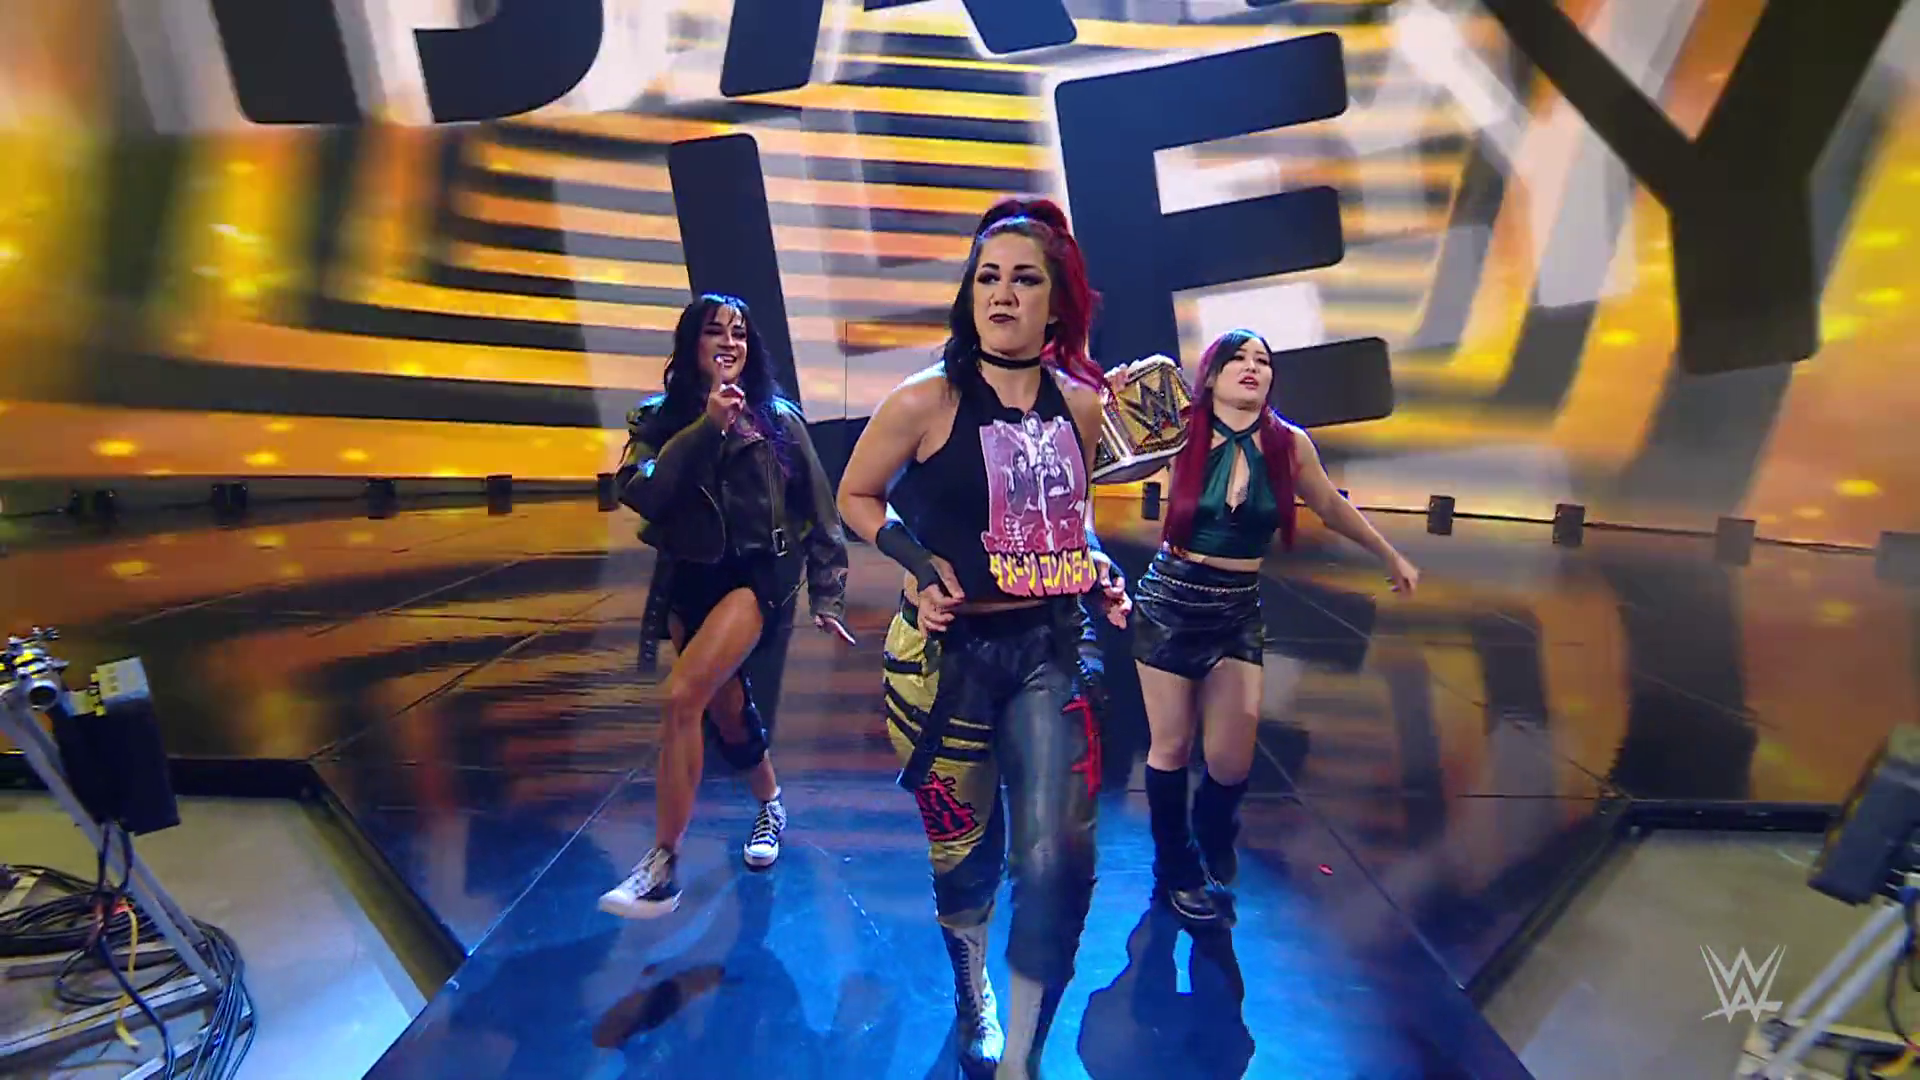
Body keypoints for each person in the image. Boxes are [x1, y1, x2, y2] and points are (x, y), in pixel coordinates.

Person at [837, 197, 1130, 1080]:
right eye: (987, 277)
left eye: (1024, 279)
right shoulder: (924, 400)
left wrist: (1096, 562)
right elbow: (855, 495)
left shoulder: (1083, 408)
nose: (1002, 294)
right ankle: (974, 991)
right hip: (944, 664)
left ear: (1055, 302)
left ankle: (1025, 1055)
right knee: (965, 856)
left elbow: (1068, 517)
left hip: (1049, 648)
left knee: (1060, 858)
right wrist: (915, 562)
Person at [1132, 329, 1419, 925]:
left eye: (1262, 360)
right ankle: (1175, 865)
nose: (1251, 368)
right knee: (1172, 746)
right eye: (1237, 358)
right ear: (1211, 375)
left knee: (1231, 761)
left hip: (1237, 608)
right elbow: (1110, 460)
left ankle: (1213, 831)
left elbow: (1331, 506)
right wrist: (1117, 399)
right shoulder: (1182, 428)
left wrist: (1389, 554)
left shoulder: (1289, 444)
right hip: (1170, 603)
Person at [600, 293, 854, 919]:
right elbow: (644, 494)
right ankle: (770, 804)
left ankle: (662, 867)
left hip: (754, 577)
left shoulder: (778, 420)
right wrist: (705, 427)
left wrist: (828, 594)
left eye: (739, 333)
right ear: (692, 345)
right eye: (715, 332)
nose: (729, 343)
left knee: (681, 698)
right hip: (687, 580)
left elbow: (822, 512)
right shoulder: (658, 419)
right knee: (728, 707)